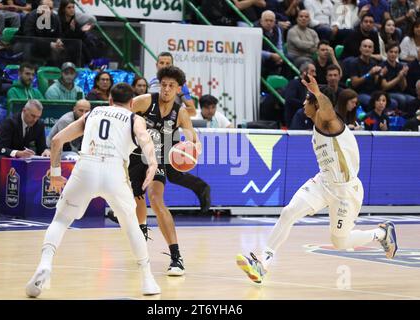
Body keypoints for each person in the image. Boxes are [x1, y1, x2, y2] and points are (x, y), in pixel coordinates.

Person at [236, 74, 398, 284]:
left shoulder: (332, 123)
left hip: (346, 191)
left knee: (340, 242)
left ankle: (382, 233)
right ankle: (263, 262)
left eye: (307, 100)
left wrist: (318, 92)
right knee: (289, 212)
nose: (304, 104)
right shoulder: (317, 126)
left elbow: (328, 111)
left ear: (317, 103)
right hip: (323, 183)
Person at [25, 83, 161, 298]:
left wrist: (55, 172)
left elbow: (58, 140)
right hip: (114, 171)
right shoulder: (135, 118)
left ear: (109, 100)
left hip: (86, 167)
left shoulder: (93, 113)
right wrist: (152, 163)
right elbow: (143, 138)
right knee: (132, 226)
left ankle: (45, 263)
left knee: (60, 220)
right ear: (132, 103)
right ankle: (147, 279)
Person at [128, 66, 202, 276]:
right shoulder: (144, 101)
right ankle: (142, 230)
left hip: (158, 159)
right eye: (164, 85)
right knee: (137, 198)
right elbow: (120, 117)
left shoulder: (180, 112)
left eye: (171, 86)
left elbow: (193, 139)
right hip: (134, 157)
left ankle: (176, 257)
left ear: (179, 89)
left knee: (156, 198)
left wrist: (193, 149)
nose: (167, 89)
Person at [147, 52, 211, 214]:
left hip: (169, 131)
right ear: (157, 65)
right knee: (168, 174)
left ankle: (202, 187)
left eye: (168, 63)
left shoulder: (179, 86)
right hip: (151, 132)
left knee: (167, 173)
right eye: (161, 62)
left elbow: (191, 109)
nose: (164, 65)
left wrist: (175, 116)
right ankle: (201, 187)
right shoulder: (150, 83)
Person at [0, 100, 50, 179]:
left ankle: (33, 190)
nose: (35, 120)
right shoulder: (9, 122)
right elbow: (1, 148)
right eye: (33, 116)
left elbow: (42, 147)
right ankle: (5, 190)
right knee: (6, 161)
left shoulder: (39, 125)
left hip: (20, 158)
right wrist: (17, 153)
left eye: (38, 117)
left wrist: (46, 151)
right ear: (24, 110)